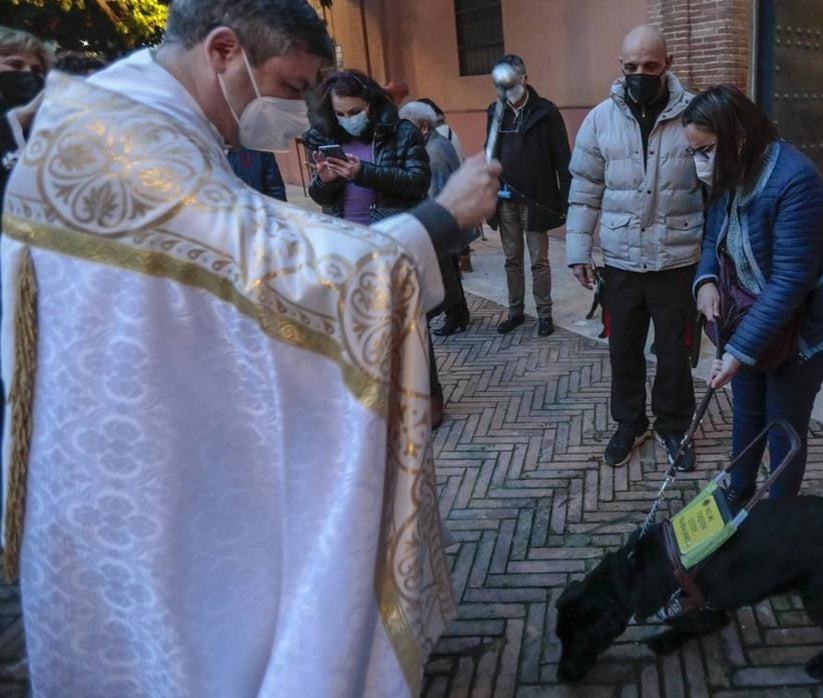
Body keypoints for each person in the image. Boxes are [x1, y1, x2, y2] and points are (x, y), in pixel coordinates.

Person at [0, 0, 501, 693]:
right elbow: (268, 267)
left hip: (152, 432)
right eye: (294, 88)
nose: (301, 112)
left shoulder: (139, 112)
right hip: (139, 481)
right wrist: (444, 217)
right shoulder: (118, 135)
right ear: (225, 50)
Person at [686, 85, 823, 505]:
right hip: (752, 314)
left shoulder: (794, 181)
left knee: (783, 424)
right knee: (747, 411)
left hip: (805, 327)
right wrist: (707, 279)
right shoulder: (731, 170)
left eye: (705, 150)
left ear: (739, 138)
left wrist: (738, 350)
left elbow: (790, 281)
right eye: (692, 152)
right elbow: (713, 234)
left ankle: (779, 515)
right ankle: (739, 489)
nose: (699, 164)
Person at [565, 25, 703, 471]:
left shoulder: (696, 116)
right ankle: (629, 422)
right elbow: (584, 188)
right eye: (631, 67)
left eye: (650, 66)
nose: (640, 74)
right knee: (622, 351)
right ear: (620, 66)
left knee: (675, 355)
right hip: (621, 265)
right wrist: (578, 248)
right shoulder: (599, 119)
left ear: (668, 64)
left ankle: (673, 424)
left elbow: (715, 188)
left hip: (677, 262)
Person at [485, 54, 571, 338]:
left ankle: (544, 314)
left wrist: (565, 200)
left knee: (539, 261)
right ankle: (515, 311)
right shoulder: (495, 112)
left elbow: (563, 159)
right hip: (505, 199)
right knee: (512, 258)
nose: (507, 88)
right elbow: (490, 153)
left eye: (511, 81)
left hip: (535, 199)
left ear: (524, 78)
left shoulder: (546, 112)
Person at [303, 69, 430, 225]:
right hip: (346, 235)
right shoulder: (327, 138)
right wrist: (325, 181)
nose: (348, 119)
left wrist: (363, 172)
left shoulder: (401, 133)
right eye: (340, 114)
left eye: (355, 112)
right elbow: (323, 200)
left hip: (393, 233)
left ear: (371, 104)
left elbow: (419, 183)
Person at [400, 99, 474, 336]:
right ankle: (459, 315)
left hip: (446, 224)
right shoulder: (438, 142)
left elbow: (438, 195)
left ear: (423, 127)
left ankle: (455, 317)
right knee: (450, 272)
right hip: (451, 223)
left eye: (408, 127)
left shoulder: (433, 152)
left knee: (447, 273)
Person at [1, 26, 52, 197]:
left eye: (37, 71)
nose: (27, 73)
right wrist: (14, 123)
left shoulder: (45, 126)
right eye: (15, 64)